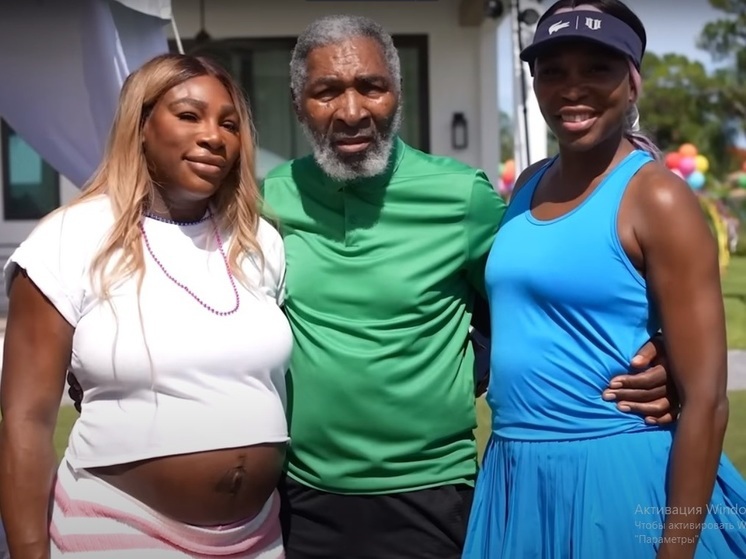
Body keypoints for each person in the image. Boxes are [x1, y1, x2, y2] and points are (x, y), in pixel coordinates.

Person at [259, 14, 678, 559]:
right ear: (298, 105)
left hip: (431, 493)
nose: (352, 110)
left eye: (371, 86)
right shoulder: (273, 197)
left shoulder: (462, 197)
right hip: (303, 494)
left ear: (397, 94)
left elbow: (547, 293)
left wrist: (667, 351)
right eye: (327, 92)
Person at [462, 1, 746, 558]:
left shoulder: (658, 197)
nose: (573, 88)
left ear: (633, 83)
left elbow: (708, 401)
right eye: (553, 71)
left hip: (616, 477)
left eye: (597, 68)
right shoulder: (527, 184)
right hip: (515, 476)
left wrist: (676, 549)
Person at [0, 53, 290, 558]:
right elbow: (26, 421)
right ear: (140, 127)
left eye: (229, 124)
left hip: (258, 538)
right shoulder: (69, 239)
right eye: (189, 115)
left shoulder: (259, 241)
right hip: (117, 532)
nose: (214, 136)